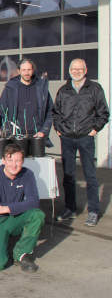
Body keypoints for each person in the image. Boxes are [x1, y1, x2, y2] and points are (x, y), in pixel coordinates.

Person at [53, 58, 109, 227]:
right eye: (73, 69)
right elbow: (56, 112)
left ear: (85, 70)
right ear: (69, 70)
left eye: (79, 69)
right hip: (67, 138)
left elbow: (103, 113)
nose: (76, 71)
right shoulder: (64, 90)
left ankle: (93, 211)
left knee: (90, 175)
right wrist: (59, 128)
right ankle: (70, 209)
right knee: (68, 176)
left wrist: (95, 129)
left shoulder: (94, 89)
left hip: (86, 137)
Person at [0, 144, 45, 272]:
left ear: (23, 161)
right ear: (3, 160)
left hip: (16, 217)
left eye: (18, 161)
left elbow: (34, 202)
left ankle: (22, 253)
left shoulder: (27, 174)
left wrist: (7, 208)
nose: (14, 164)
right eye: (10, 160)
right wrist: (16, 207)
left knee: (37, 215)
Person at [0, 59, 53, 142]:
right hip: (16, 136)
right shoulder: (10, 88)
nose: (26, 73)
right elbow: (2, 112)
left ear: (33, 70)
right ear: (19, 71)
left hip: (37, 136)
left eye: (29, 70)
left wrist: (43, 131)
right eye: (23, 70)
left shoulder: (41, 88)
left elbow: (50, 111)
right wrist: (8, 132)